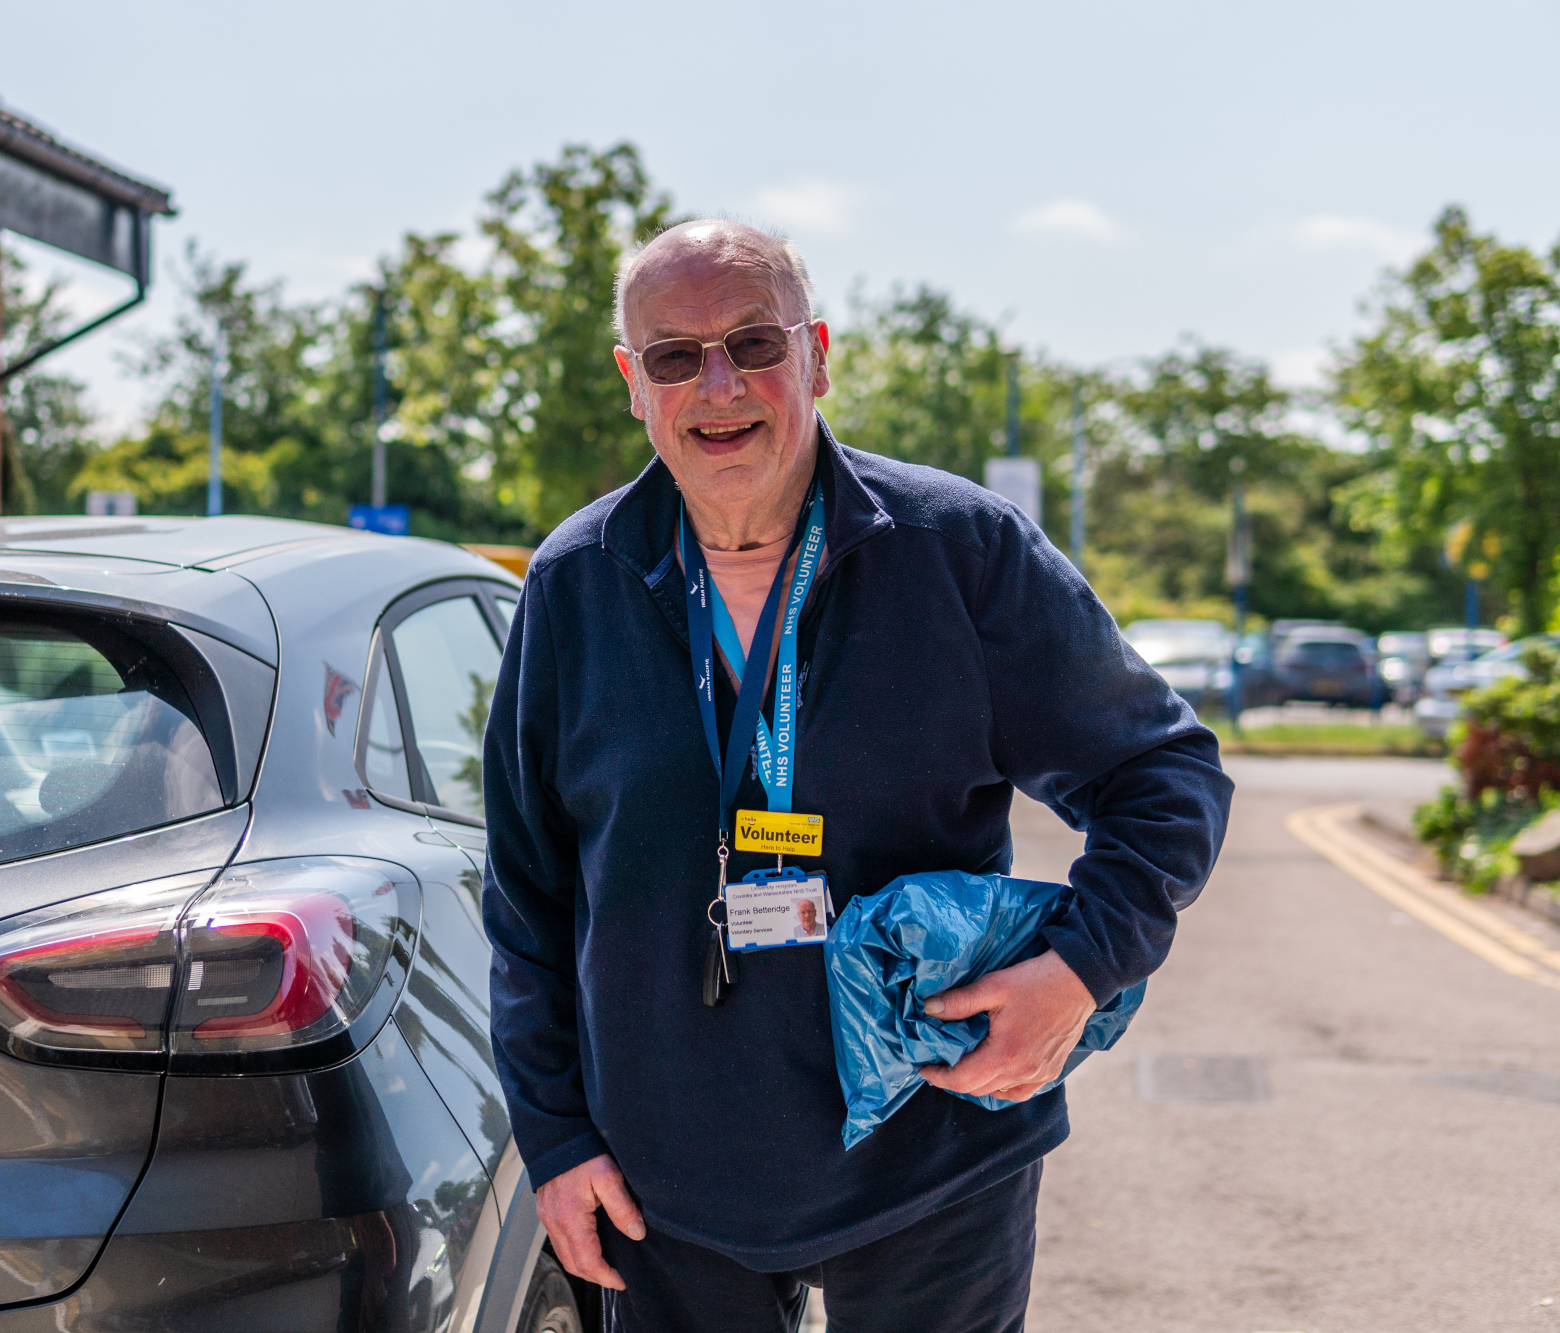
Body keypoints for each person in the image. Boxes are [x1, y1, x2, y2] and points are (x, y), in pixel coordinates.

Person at [481, 220, 1232, 1333]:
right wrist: (555, 1138)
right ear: (633, 384)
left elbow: (1162, 773)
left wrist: (1076, 972)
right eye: (675, 356)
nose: (717, 385)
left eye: (753, 343)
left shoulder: (959, 549)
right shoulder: (573, 585)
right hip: (664, 1184)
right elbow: (528, 899)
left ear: (817, 355)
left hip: (932, 1151)